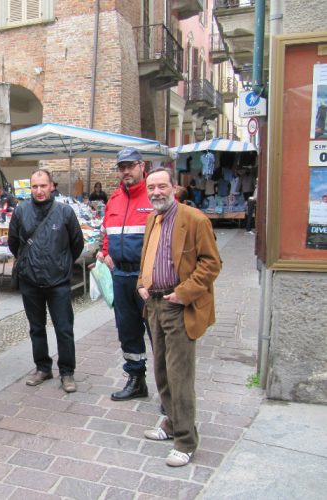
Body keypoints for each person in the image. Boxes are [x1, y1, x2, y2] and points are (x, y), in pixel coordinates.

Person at [137, 167, 221, 467]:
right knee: (160, 370)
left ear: (174, 187)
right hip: (155, 304)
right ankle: (172, 423)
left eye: (162, 186)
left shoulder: (194, 219)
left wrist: (183, 293)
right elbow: (147, 258)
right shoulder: (151, 218)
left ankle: (186, 441)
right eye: (152, 187)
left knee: (179, 375)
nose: (156, 192)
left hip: (178, 304)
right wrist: (141, 285)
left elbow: (212, 264)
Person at [8, 169, 84, 393]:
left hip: (58, 281)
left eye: (43, 186)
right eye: (34, 187)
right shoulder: (21, 211)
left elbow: (76, 244)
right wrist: (28, 263)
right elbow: (14, 243)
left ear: (52, 186)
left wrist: (62, 264)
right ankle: (42, 367)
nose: (39, 191)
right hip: (30, 280)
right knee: (36, 327)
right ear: (29, 188)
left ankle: (67, 372)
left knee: (64, 328)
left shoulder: (65, 212)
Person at [91, 147, 154, 401]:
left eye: (130, 165)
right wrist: (105, 252)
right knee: (127, 331)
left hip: (148, 277)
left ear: (142, 166)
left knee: (158, 334)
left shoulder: (154, 195)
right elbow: (107, 232)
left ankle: (169, 390)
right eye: (122, 167)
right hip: (121, 277)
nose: (126, 171)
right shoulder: (115, 199)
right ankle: (136, 380)